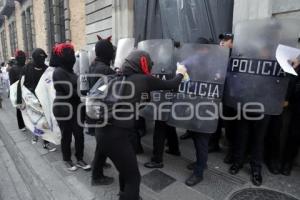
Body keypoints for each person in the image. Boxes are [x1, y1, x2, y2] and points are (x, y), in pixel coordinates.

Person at [95, 50, 186, 200]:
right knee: (134, 178)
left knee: (125, 170)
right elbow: (172, 84)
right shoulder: (144, 79)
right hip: (118, 135)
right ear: (143, 63)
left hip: (102, 132)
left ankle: (124, 194)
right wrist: (181, 72)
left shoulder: (115, 78)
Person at [52, 43, 91, 172]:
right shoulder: (58, 71)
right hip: (63, 108)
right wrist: (84, 89)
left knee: (79, 134)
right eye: (68, 54)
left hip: (76, 107)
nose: (71, 57)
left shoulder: (71, 71)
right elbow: (71, 90)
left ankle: (79, 158)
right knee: (67, 135)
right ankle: (67, 159)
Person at [89, 37, 115, 186]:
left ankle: (97, 164)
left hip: (93, 110)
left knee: (101, 141)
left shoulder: (93, 65)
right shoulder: (105, 70)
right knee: (103, 142)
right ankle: (96, 176)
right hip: (103, 111)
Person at [19, 48, 56, 152]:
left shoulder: (46, 69)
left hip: (43, 99)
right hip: (31, 99)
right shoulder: (26, 68)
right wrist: (21, 98)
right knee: (34, 119)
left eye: (44, 59)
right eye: (40, 59)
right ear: (34, 58)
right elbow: (21, 83)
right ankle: (36, 134)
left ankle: (46, 141)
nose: (42, 61)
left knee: (45, 120)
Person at [8, 51, 26, 131]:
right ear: (17, 59)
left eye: (24, 57)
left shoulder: (27, 66)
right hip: (18, 90)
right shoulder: (13, 69)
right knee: (19, 109)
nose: (23, 59)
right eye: (21, 58)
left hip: (27, 89)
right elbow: (12, 83)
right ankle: (21, 125)